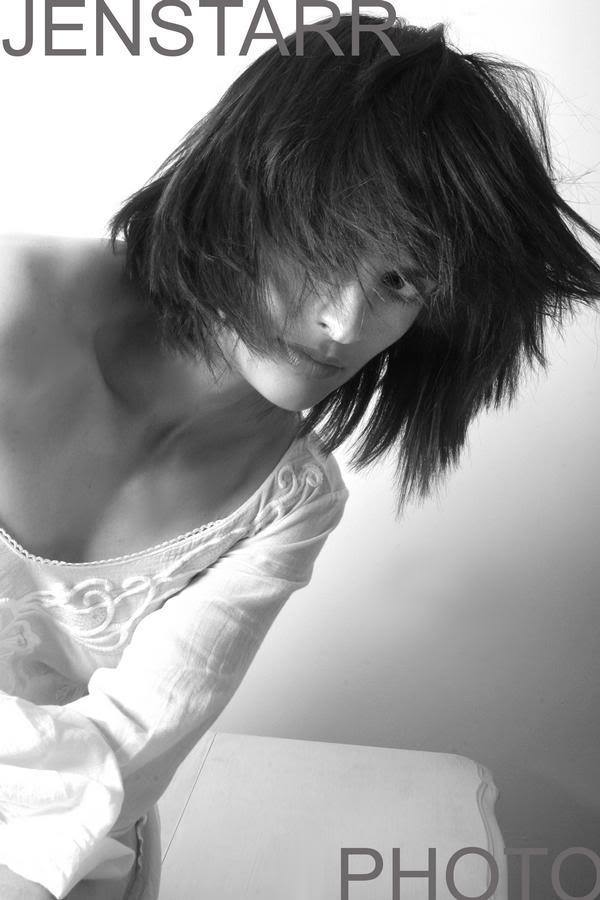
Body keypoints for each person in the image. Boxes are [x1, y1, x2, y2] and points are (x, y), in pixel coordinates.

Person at [1, 12, 599, 900]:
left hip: (68, 849)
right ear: (243, 189)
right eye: (326, 248)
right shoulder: (12, 307)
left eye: (402, 280)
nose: (344, 322)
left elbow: (134, 746)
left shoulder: (292, 502)